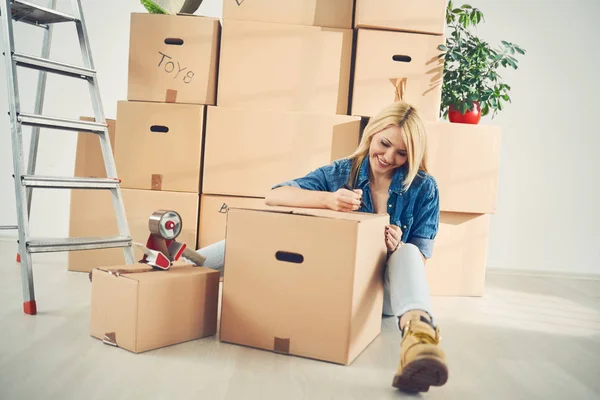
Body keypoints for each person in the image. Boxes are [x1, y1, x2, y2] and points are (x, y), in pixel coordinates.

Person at [195, 101, 448, 393]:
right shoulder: (341, 173)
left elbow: (420, 260)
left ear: (413, 154)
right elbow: (275, 195)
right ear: (372, 133)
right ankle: (177, 268)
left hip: (385, 298)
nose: (389, 157)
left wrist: (396, 247)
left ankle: (420, 341)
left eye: (402, 153)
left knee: (408, 251)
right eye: (385, 143)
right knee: (260, 236)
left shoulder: (424, 187)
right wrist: (329, 200)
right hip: (337, 290)